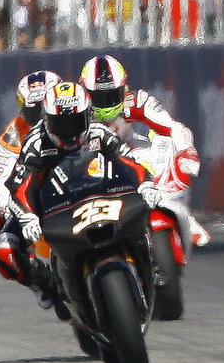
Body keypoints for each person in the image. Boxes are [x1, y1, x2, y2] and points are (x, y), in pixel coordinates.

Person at [1, 81, 136, 295]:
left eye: (75, 122)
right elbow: (19, 187)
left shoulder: (99, 132)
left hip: (102, 194)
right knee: (5, 247)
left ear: (87, 115)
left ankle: (152, 259)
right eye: (61, 124)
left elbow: (128, 162)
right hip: (57, 207)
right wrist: (28, 218)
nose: (69, 131)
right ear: (47, 120)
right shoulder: (36, 144)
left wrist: (144, 185)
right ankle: (50, 288)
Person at [78, 53, 210, 248]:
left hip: (128, 155)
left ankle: (177, 214)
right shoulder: (72, 109)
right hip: (87, 162)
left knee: (164, 142)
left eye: (112, 95)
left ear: (124, 88)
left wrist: (186, 151)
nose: (106, 103)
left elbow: (174, 128)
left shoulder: (137, 101)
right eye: (99, 96)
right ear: (84, 92)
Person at [0, 70, 61, 294]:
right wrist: (6, 204)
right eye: (31, 111)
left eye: (42, 109)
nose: (38, 118)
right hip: (27, 192)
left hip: (69, 186)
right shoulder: (15, 132)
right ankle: (42, 283)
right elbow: (1, 178)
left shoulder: (74, 118)